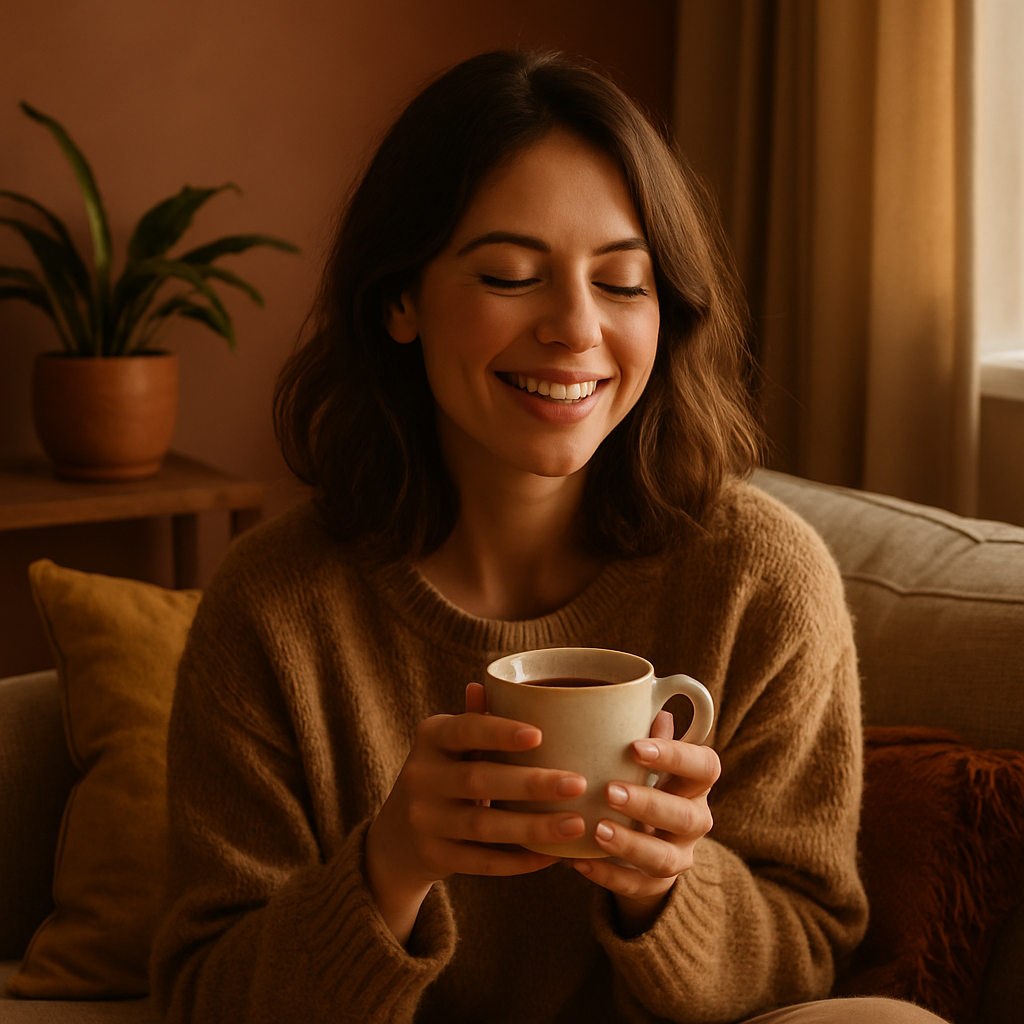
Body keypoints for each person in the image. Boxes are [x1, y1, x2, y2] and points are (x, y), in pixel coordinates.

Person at [150, 50, 947, 1024]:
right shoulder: (274, 605)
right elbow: (202, 993)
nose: (575, 328)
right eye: (510, 275)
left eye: (621, 284)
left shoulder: (758, 580)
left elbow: (810, 953)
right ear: (399, 298)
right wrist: (387, 867)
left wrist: (664, 886)